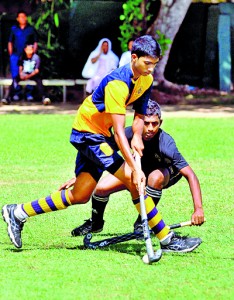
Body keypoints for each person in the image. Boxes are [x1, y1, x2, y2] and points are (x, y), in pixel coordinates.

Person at [2, 35, 204, 252]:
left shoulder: (146, 78)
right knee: (131, 178)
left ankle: (17, 212)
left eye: (154, 64)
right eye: (147, 63)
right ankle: (167, 239)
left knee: (79, 195)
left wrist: (136, 136)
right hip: (88, 133)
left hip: (102, 135)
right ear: (133, 57)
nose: (150, 69)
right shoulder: (118, 84)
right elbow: (118, 133)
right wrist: (135, 168)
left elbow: (139, 114)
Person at [61, 100, 205, 252]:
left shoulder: (166, 144)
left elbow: (190, 175)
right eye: (146, 123)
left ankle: (141, 222)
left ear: (160, 122)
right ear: (139, 121)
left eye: (154, 124)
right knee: (101, 189)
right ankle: (95, 224)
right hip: (139, 172)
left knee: (154, 178)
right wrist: (80, 178)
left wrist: (198, 209)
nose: (150, 128)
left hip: (164, 174)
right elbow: (101, 155)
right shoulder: (128, 134)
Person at [1, 10, 38, 105]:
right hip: (16, 55)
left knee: (28, 72)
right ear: (17, 19)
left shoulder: (31, 29)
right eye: (20, 17)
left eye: (24, 16)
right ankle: (16, 93)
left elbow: (35, 42)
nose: (22, 18)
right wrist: (11, 53)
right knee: (15, 74)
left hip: (27, 56)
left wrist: (33, 53)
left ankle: (29, 94)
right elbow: (10, 42)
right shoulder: (14, 29)